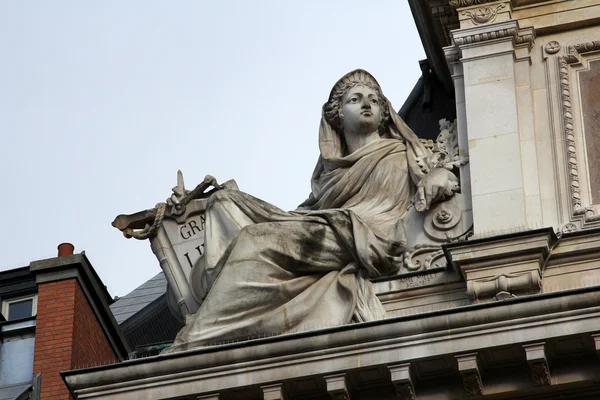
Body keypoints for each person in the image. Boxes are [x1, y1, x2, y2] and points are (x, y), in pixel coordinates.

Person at [166, 69, 458, 351]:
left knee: (254, 240)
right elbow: (301, 215)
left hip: (369, 236)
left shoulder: (403, 150)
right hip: (332, 228)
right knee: (225, 204)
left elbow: (443, 172)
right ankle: (217, 311)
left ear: (384, 112)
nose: (367, 103)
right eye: (355, 99)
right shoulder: (329, 176)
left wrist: (438, 176)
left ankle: (198, 337)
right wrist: (203, 204)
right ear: (338, 115)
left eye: (373, 99)